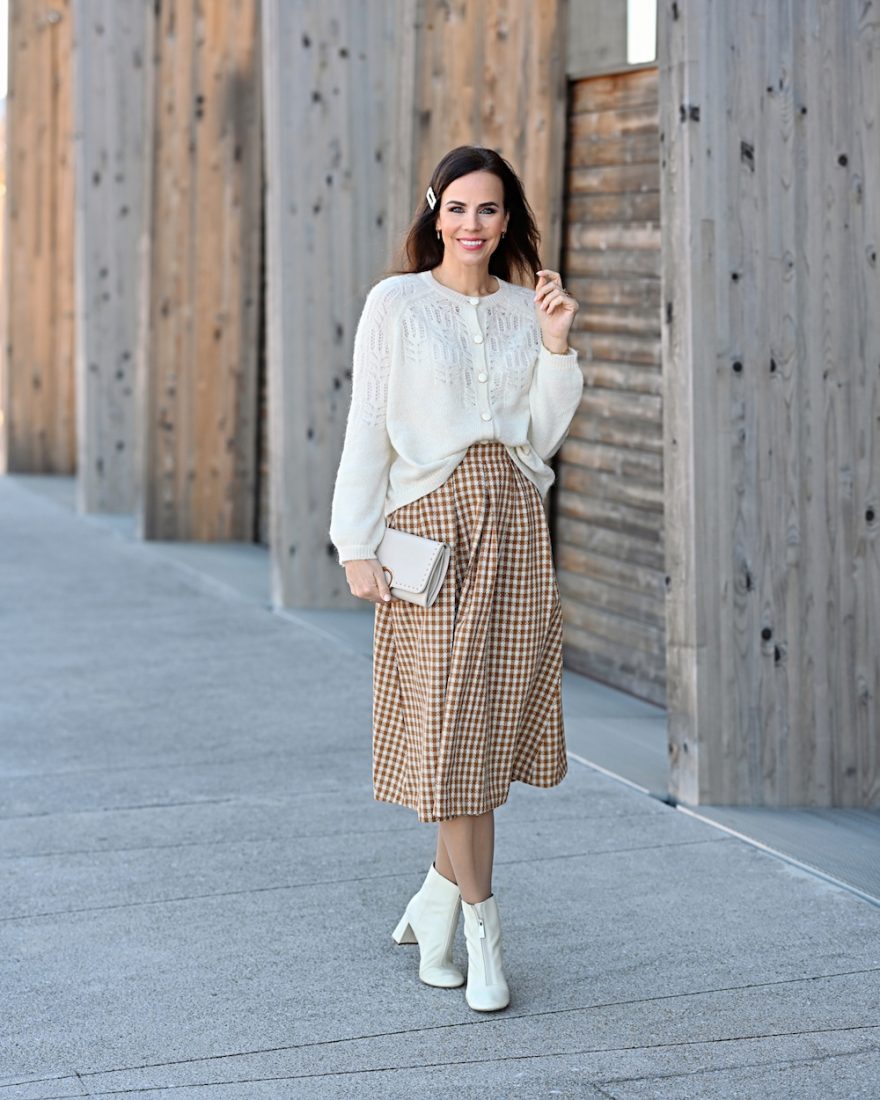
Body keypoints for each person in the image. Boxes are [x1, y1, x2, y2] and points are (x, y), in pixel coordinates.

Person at [328, 145, 583, 1012]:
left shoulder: (523, 308)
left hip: (513, 527)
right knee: (451, 734)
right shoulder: (396, 303)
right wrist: (354, 542)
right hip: (429, 534)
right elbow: (368, 423)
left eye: (489, 209)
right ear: (434, 211)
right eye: (458, 207)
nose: (472, 224)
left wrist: (556, 346)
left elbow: (540, 436)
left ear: (508, 221)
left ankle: (434, 911)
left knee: (484, 734)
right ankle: (484, 934)